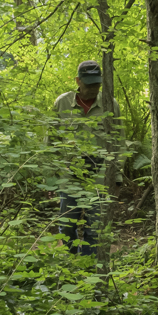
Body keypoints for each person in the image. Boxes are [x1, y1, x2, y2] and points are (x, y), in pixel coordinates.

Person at [52, 60, 122, 255]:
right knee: (67, 225)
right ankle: (71, 261)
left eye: (97, 84)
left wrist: (116, 177)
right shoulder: (62, 103)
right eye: (89, 84)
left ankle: (88, 265)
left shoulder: (110, 104)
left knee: (95, 227)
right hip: (69, 176)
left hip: (100, 176)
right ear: (78, 81)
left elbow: (119, 142)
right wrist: (51, 177)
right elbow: (51, 141)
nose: (93, 89)